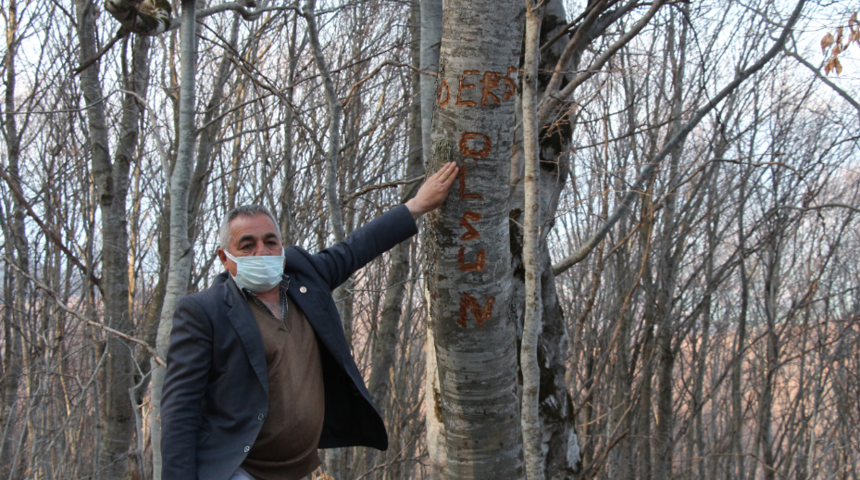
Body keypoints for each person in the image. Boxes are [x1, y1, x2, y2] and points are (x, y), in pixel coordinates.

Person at [160, 162, 459, 480]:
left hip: (297, 469)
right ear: (224, 257)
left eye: (270, 241)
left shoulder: (305, 277)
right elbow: (180, 409)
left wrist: (415, 206)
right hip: (237, 469)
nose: (262, 251)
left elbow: (357, 247)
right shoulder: (204, 311)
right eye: (247, 245)